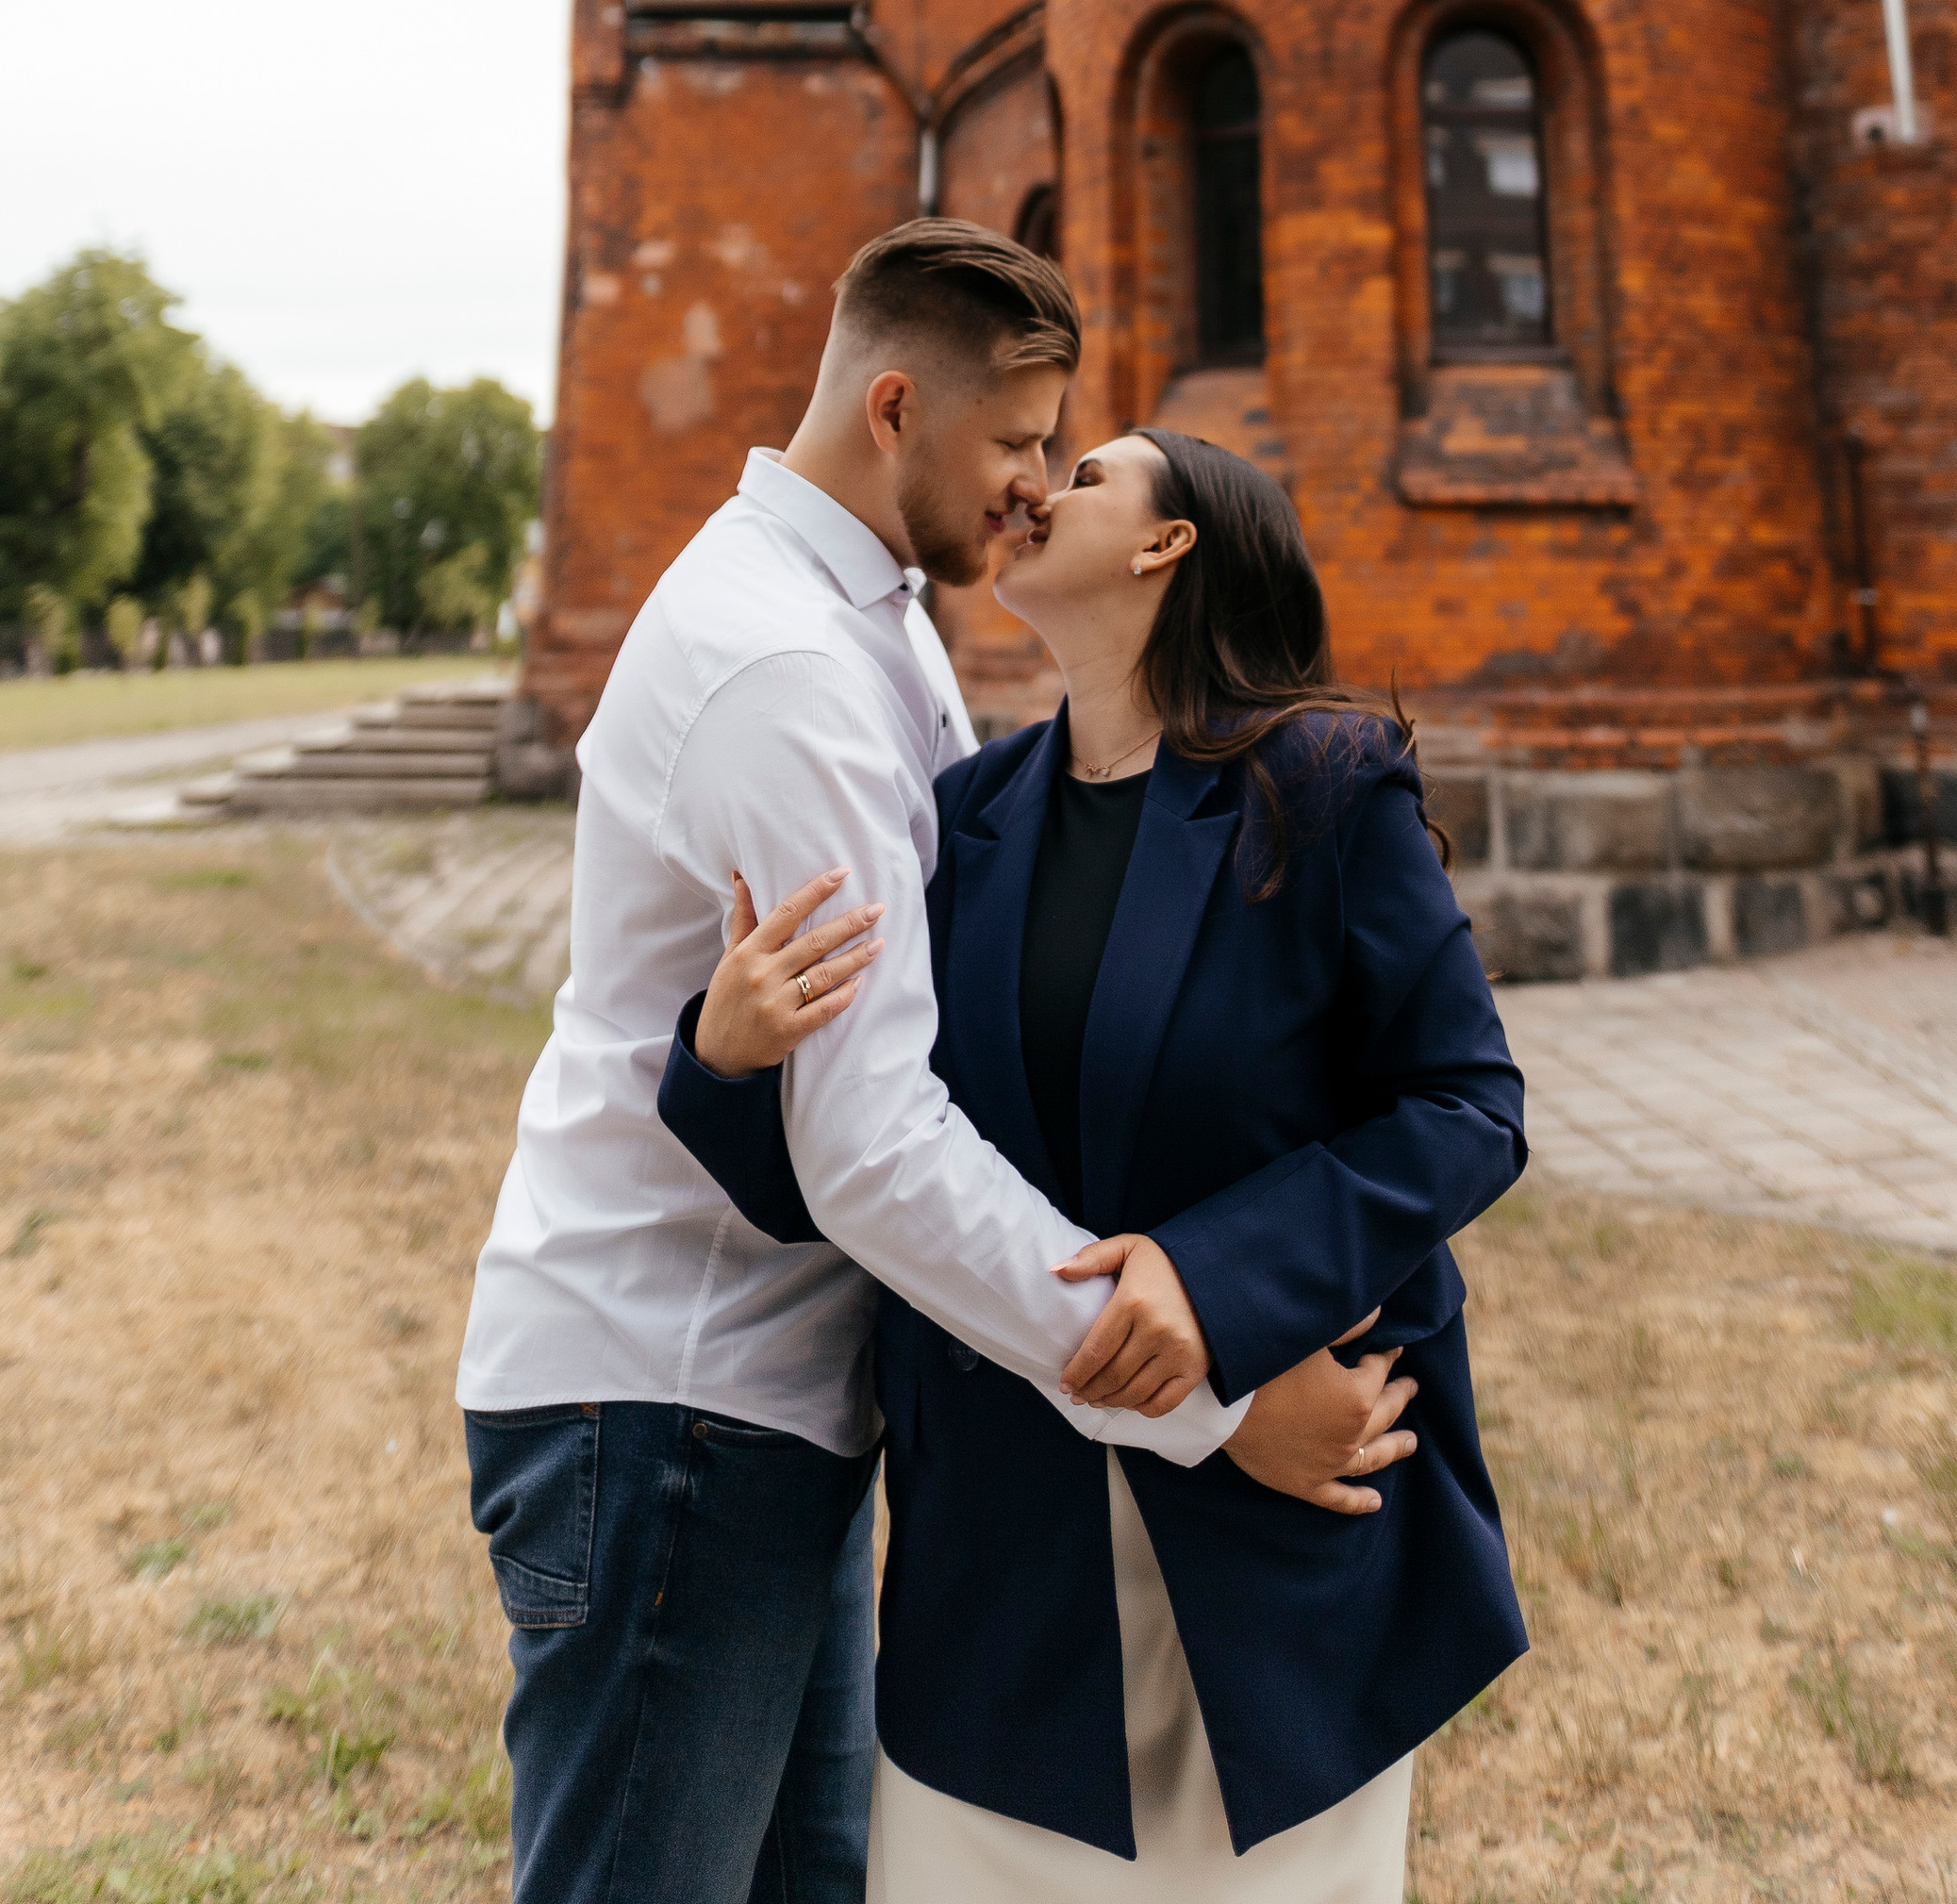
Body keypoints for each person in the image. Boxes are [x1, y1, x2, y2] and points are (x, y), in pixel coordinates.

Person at [456, 224, 1410, 1904]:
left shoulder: (876, 623)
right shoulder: (787, 670)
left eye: (1063, 450)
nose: (1037, 485)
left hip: (769, 1394)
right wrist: (1214, 1393)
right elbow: (879, 1143)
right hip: (668, 1393)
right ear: (895, 405)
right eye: (1019, 441)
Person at [661, 422, 1529, 1899]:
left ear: (1166, 545)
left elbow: (1466, 1105)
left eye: (1086, 475)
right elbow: (847, 1171)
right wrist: (729, 1060)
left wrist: (1217, 1290)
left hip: (1280, 1564)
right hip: (1002, 1571)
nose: (1032, 490)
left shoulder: (1322, 786)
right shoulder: (956, 825)